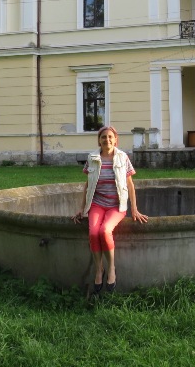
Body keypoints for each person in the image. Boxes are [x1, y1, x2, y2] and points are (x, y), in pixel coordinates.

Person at [72, 125, 147, 294]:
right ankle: (99, 269)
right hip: (97, 204)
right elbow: (87, 186)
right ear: (99, 140)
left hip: (116, 206)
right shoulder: (92, 158)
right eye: (103, 137)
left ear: (115, 140)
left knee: (105, 230)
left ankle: (111, 268)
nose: (107, 140)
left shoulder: (122, 157)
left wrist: (134, 209)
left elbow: (130, 185)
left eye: (110, 137)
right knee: (93, 233)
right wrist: (82, 209)